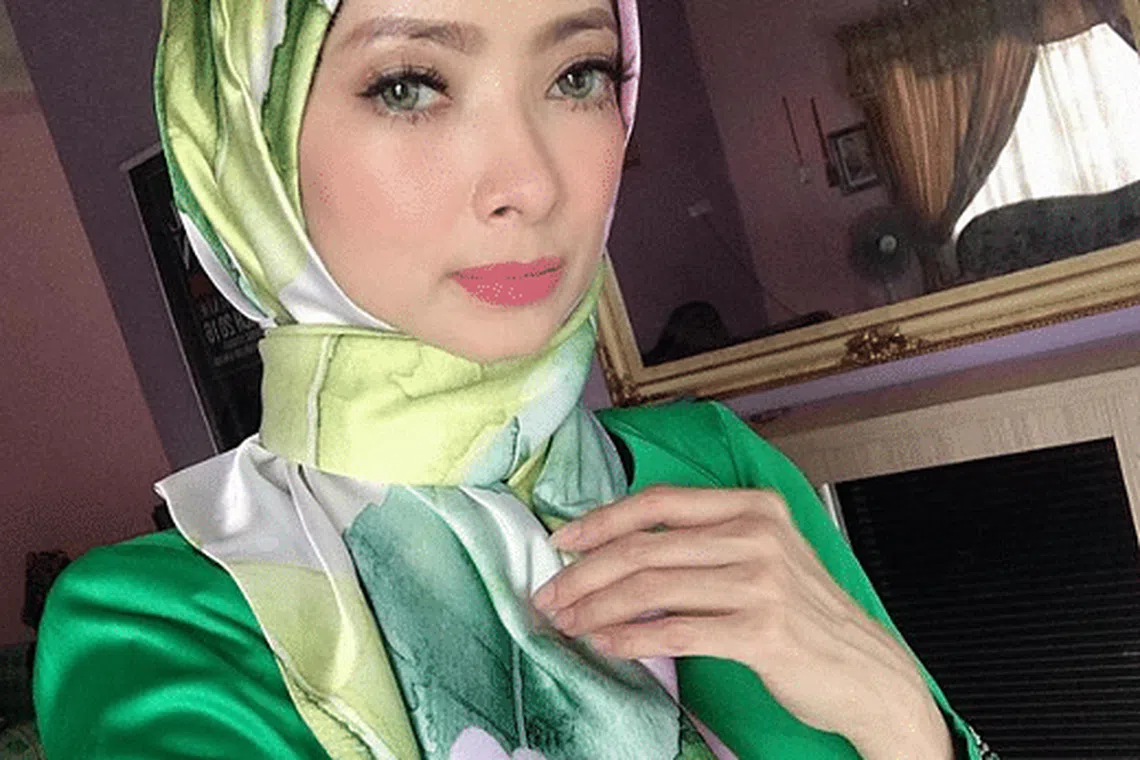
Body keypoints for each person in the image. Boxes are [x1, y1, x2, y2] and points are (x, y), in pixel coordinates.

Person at [32, 0, 1000, 758]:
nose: (530, 183)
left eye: (578, 75)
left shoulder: (716, 468)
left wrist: (902, 721)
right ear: (249, 145)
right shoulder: (160, 635)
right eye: (409, 85)